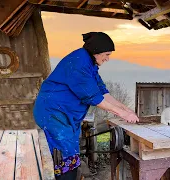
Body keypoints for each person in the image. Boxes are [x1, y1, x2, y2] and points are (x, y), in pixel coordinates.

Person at [33, 32, 139, 179]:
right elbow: (94, 98)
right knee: (64, 155)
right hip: (53, 113)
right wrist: (123, 115)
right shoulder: (79, 64)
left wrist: (125, 109)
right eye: (106, 54)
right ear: (96, 51)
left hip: (64, 114)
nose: (108, 59)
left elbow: (103, 92)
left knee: (69, 152)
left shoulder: (89, 62)